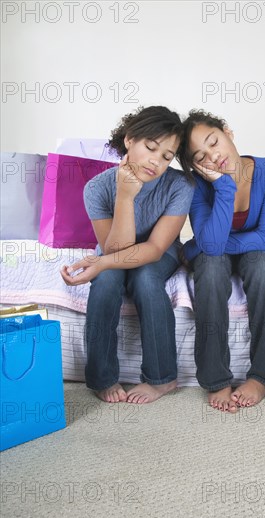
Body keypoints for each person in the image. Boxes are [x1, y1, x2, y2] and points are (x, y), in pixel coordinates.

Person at [60, 106, 194, 404]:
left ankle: (163, 378)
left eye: (167, 156)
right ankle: (102, 377)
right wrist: (125, 196)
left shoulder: (180, 186)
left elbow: (155, 248)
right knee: (106, 281)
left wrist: (101, 262)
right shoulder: (97, 188)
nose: (156, 161)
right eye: (150, 147)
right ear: (130, 139)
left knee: (146, 279)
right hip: (114, 248)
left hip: (159, 252)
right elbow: (115, 249)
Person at [176, 109, 265, 413]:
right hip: (218, 254)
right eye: (201, 157)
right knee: (211, 272)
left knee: (263, 269)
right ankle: (216, 378)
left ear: (227, 131)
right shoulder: (199, 186)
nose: (213, 157)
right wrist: (224, 187)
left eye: (214, 142)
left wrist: (204, 245)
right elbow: (212, 249)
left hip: (255, 250)